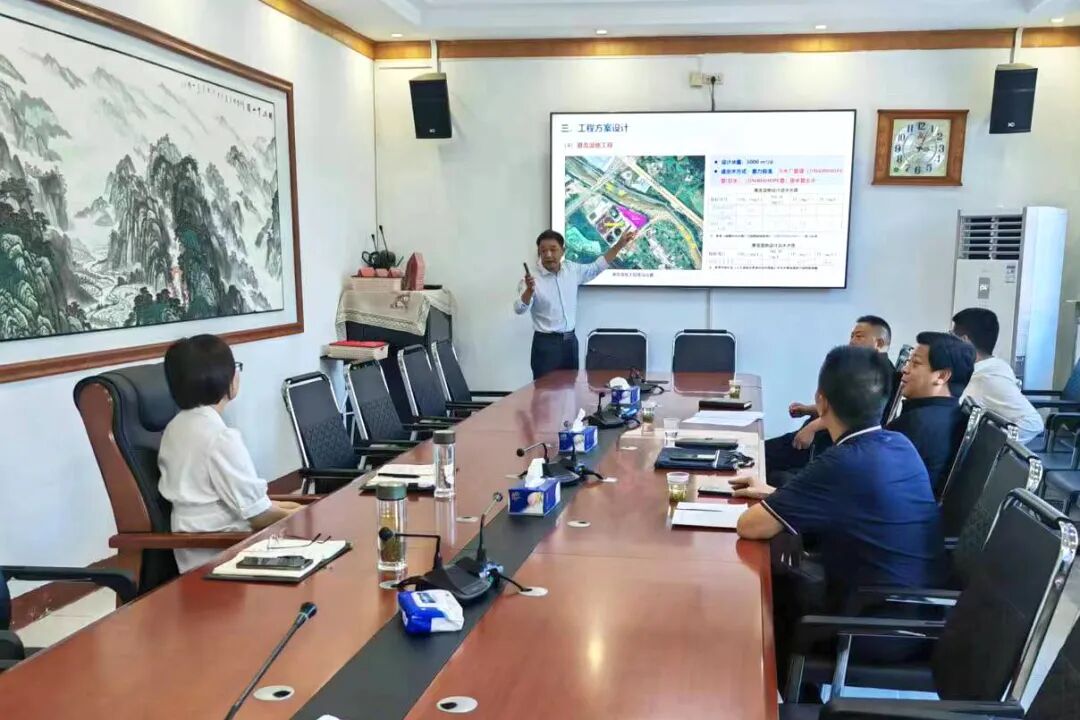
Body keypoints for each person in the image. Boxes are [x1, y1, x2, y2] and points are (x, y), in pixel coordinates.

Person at [735, 346, 946, 683]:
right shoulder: (898, 444)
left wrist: (776, 502)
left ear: (821, 402)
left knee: (766, 596)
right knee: (780, 575)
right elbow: (852, 501)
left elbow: (750, 526)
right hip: (918, 614)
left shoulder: (843, 461)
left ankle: (775, 697)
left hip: (876, 630)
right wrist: (775, 494)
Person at [158, 335, 300, 572]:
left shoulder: (174, 428)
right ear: (227, 380)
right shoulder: (220, 438)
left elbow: (251, 504)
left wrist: (295, 508)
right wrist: (304, 513)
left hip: (193, 552)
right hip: (225, 554)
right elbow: (259, 516)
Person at [764, 315, 892, 485]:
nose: (852, 341)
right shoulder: (863, 368)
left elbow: (855, 415)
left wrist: (812, 427)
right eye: (852, 336)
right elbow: (841, 404)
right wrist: (808, 409)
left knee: (760, 458)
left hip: (822, 441)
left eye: (859, 336)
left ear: (879, 343)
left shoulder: (878, 374)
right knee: (758, 452)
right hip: (818, 433)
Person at [514, 228, 637, 380]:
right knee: (544, 390)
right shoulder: (531, 279)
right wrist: (529, 291)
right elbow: (519, 309)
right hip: (546, 344)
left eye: (553, 249)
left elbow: (597, 267)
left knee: (571, 387)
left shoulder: (572, 270)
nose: (548, 255)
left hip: (570, 342)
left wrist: (619, 245)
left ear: (563, 251)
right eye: (543, 251)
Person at [888, 331, 975, 496]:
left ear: (941, 376)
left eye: (915, 363)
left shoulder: (916, 424)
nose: (905, 369)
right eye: (908, 362)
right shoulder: (951, 416)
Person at [951, 308, 1043, 444]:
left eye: (951, 337)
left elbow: (1033, 423)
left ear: (964, 341)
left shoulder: (989, 378)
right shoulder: (976, 370)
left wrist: (985, 447)